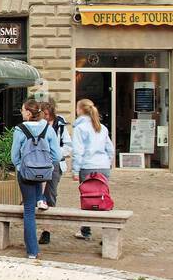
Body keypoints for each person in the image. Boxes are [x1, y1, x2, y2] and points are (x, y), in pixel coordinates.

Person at [10, 99, 60, 260]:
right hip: (42, 172)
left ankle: (32, 250)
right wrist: (47, 165)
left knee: (29, 212)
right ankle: (41, 198)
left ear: (28, 113)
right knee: (37, 190)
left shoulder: (20, 129)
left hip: (25, 173)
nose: (21, 112)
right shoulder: (48, 128)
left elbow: (14, 155)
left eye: (23, 110)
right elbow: (57, 155)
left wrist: (20, 166)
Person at [72, 98, 115, 240]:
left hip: (87, 166)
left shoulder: (79, 128)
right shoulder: (101, 127)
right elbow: (110, 149)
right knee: (103, 197)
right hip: (103, 166)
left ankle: (86, 230)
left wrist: (75, 170)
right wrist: (107, 163)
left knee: (87, 198)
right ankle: (107, 233)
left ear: (80, 110)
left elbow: (78, 151)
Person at [38, 98, 71, 244]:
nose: (45, 116)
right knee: (38, 196)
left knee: (50, 195)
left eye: (47, 113)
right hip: (39, 162)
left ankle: (47, 230)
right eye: (43, 113)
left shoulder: (60, 125)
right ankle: (40, 227)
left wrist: (56, 153)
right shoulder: (39, 125)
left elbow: (69, 146)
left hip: (55, 164)